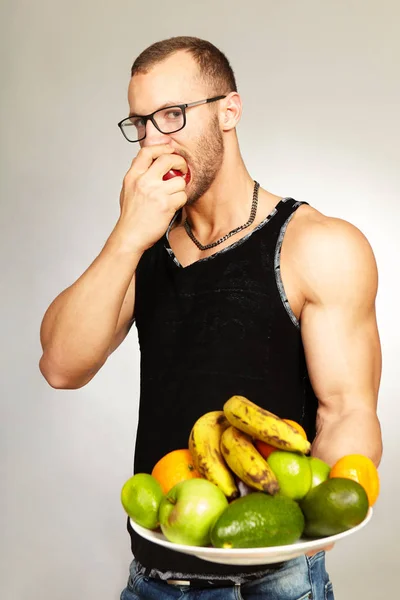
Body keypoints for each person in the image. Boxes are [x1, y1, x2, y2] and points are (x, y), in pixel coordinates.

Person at [39, 36, 383, 599]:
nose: (154, 140)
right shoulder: (142, 243)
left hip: (275, 584)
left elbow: (348, 411)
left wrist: (306, 534)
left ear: (230, 110)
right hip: (153, 579)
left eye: (172, 115)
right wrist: (127, 234)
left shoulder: (316, 246)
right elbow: (61, 365)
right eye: (140, 123)